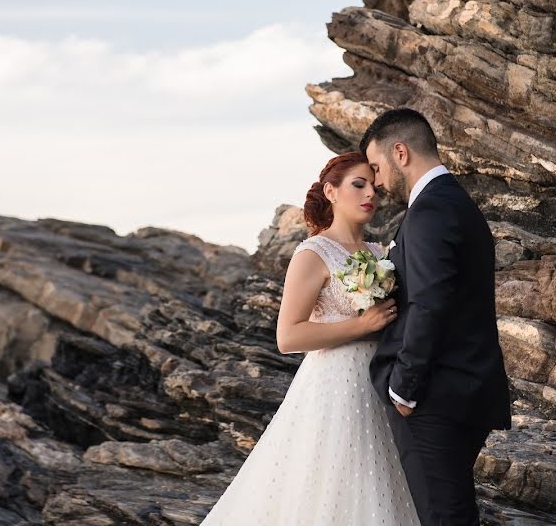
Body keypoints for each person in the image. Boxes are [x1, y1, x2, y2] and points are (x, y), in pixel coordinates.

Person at [201, 151, 420, 525]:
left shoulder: (381, 253)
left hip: (381, 383)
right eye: (358, 185)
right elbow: (288, 336)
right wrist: (361, 326)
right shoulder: (312, 253)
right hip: (334, 386)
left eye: (373, 185)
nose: (371, 193)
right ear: (331, 192)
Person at [360, 108, 512, 526]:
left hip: (432, 397)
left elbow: (430, 302)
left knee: (444, 516)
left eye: (376, 167)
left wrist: (404, 389)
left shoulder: (428, 211)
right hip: (465, 387)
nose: (376, 181)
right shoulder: (457, 202)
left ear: (401, 152)